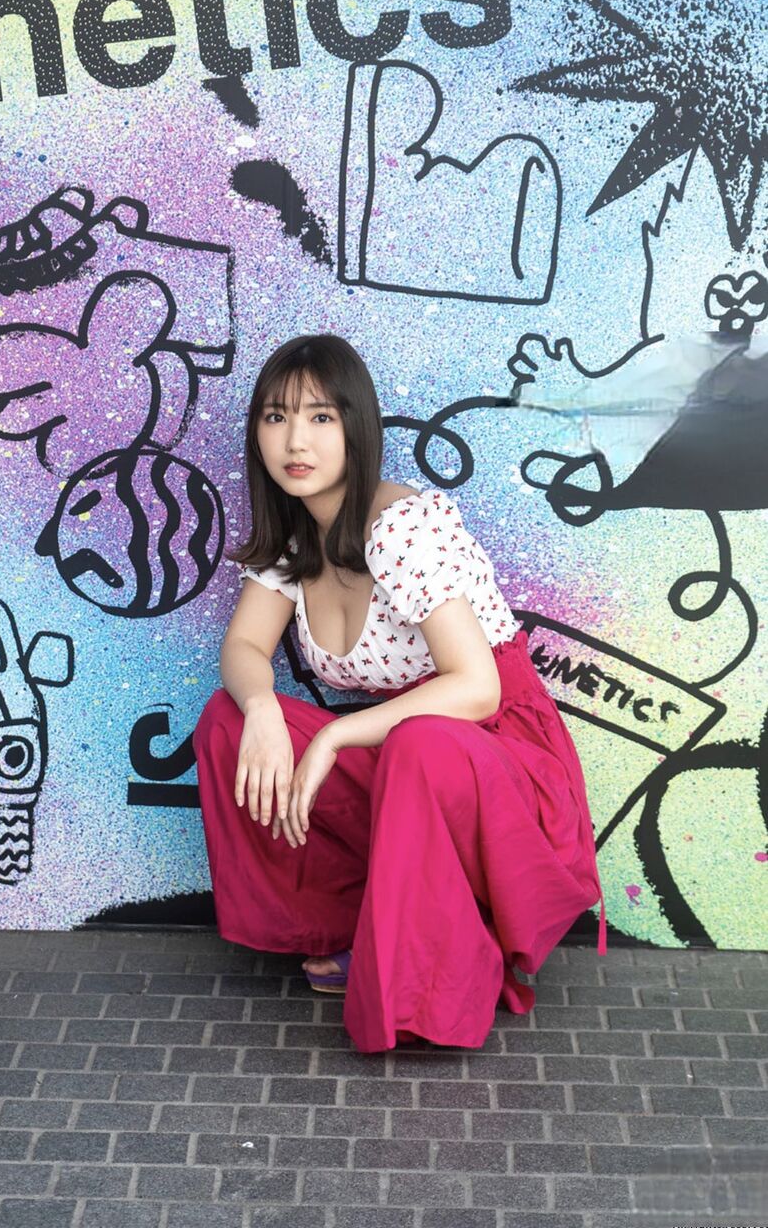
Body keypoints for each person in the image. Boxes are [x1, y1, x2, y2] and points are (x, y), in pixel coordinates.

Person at [193, 333, 606, 1054]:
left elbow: (476, 690)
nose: (295, 440)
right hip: (407, 757)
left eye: (321, 417)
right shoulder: (298, 538)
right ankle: (353, 925)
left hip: (499, 762)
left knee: (422, 742)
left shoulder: (402, 528)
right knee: (230, 720)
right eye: (275, 417)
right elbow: (244, 648)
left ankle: (435, 974)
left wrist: (333, 733)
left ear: (356, 427)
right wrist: (261, 708)